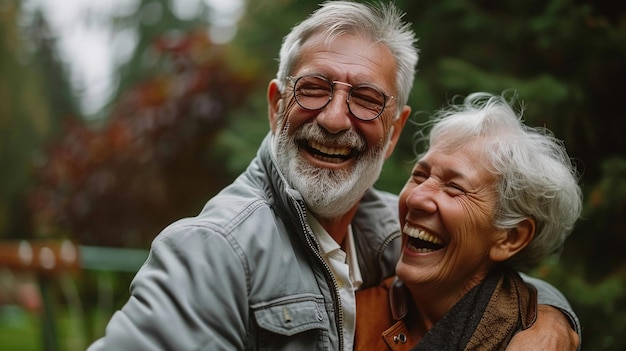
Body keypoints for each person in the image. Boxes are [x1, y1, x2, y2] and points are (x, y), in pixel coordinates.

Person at [88, 2, 580, 350]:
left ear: (393, 133)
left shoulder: (395, 229)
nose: (335, 119)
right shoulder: (213, 251)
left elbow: (486, 270)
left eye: (366, 99)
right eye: (314, 89)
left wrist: (551, 320)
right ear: (277, 106)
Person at [354, 92, 583, 350]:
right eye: (419, 176)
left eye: (454, 187)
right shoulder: (352, 318)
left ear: (510, 238)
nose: (416, 198)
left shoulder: (534, 334)